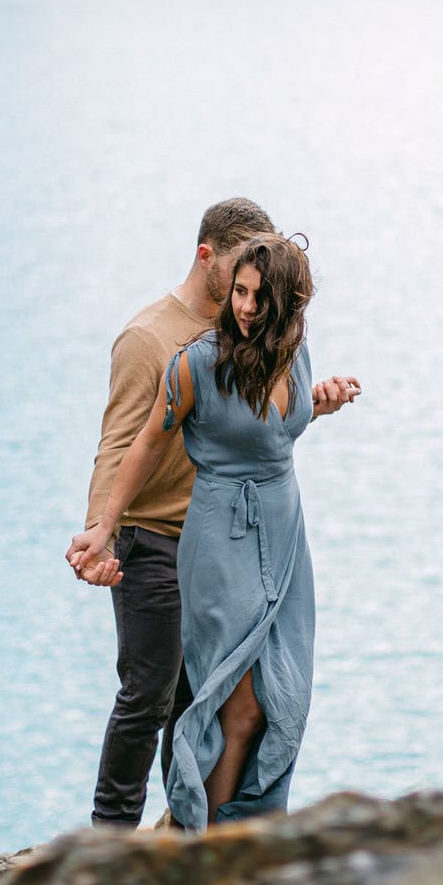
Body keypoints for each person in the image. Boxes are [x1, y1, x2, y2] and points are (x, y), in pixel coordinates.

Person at [77, 198, 356, 829]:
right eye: (238, 282)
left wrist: (316, 405)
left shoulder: (278, 343)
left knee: (241, 695)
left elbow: (263, 428)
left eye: (257, 288)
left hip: (269, 540)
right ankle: (112, 842)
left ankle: (204, 824)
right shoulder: (155, 343)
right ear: (211, 260)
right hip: (161, 536)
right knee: (154, 695)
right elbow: (126, 444)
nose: (245, 298)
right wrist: (102, 531)